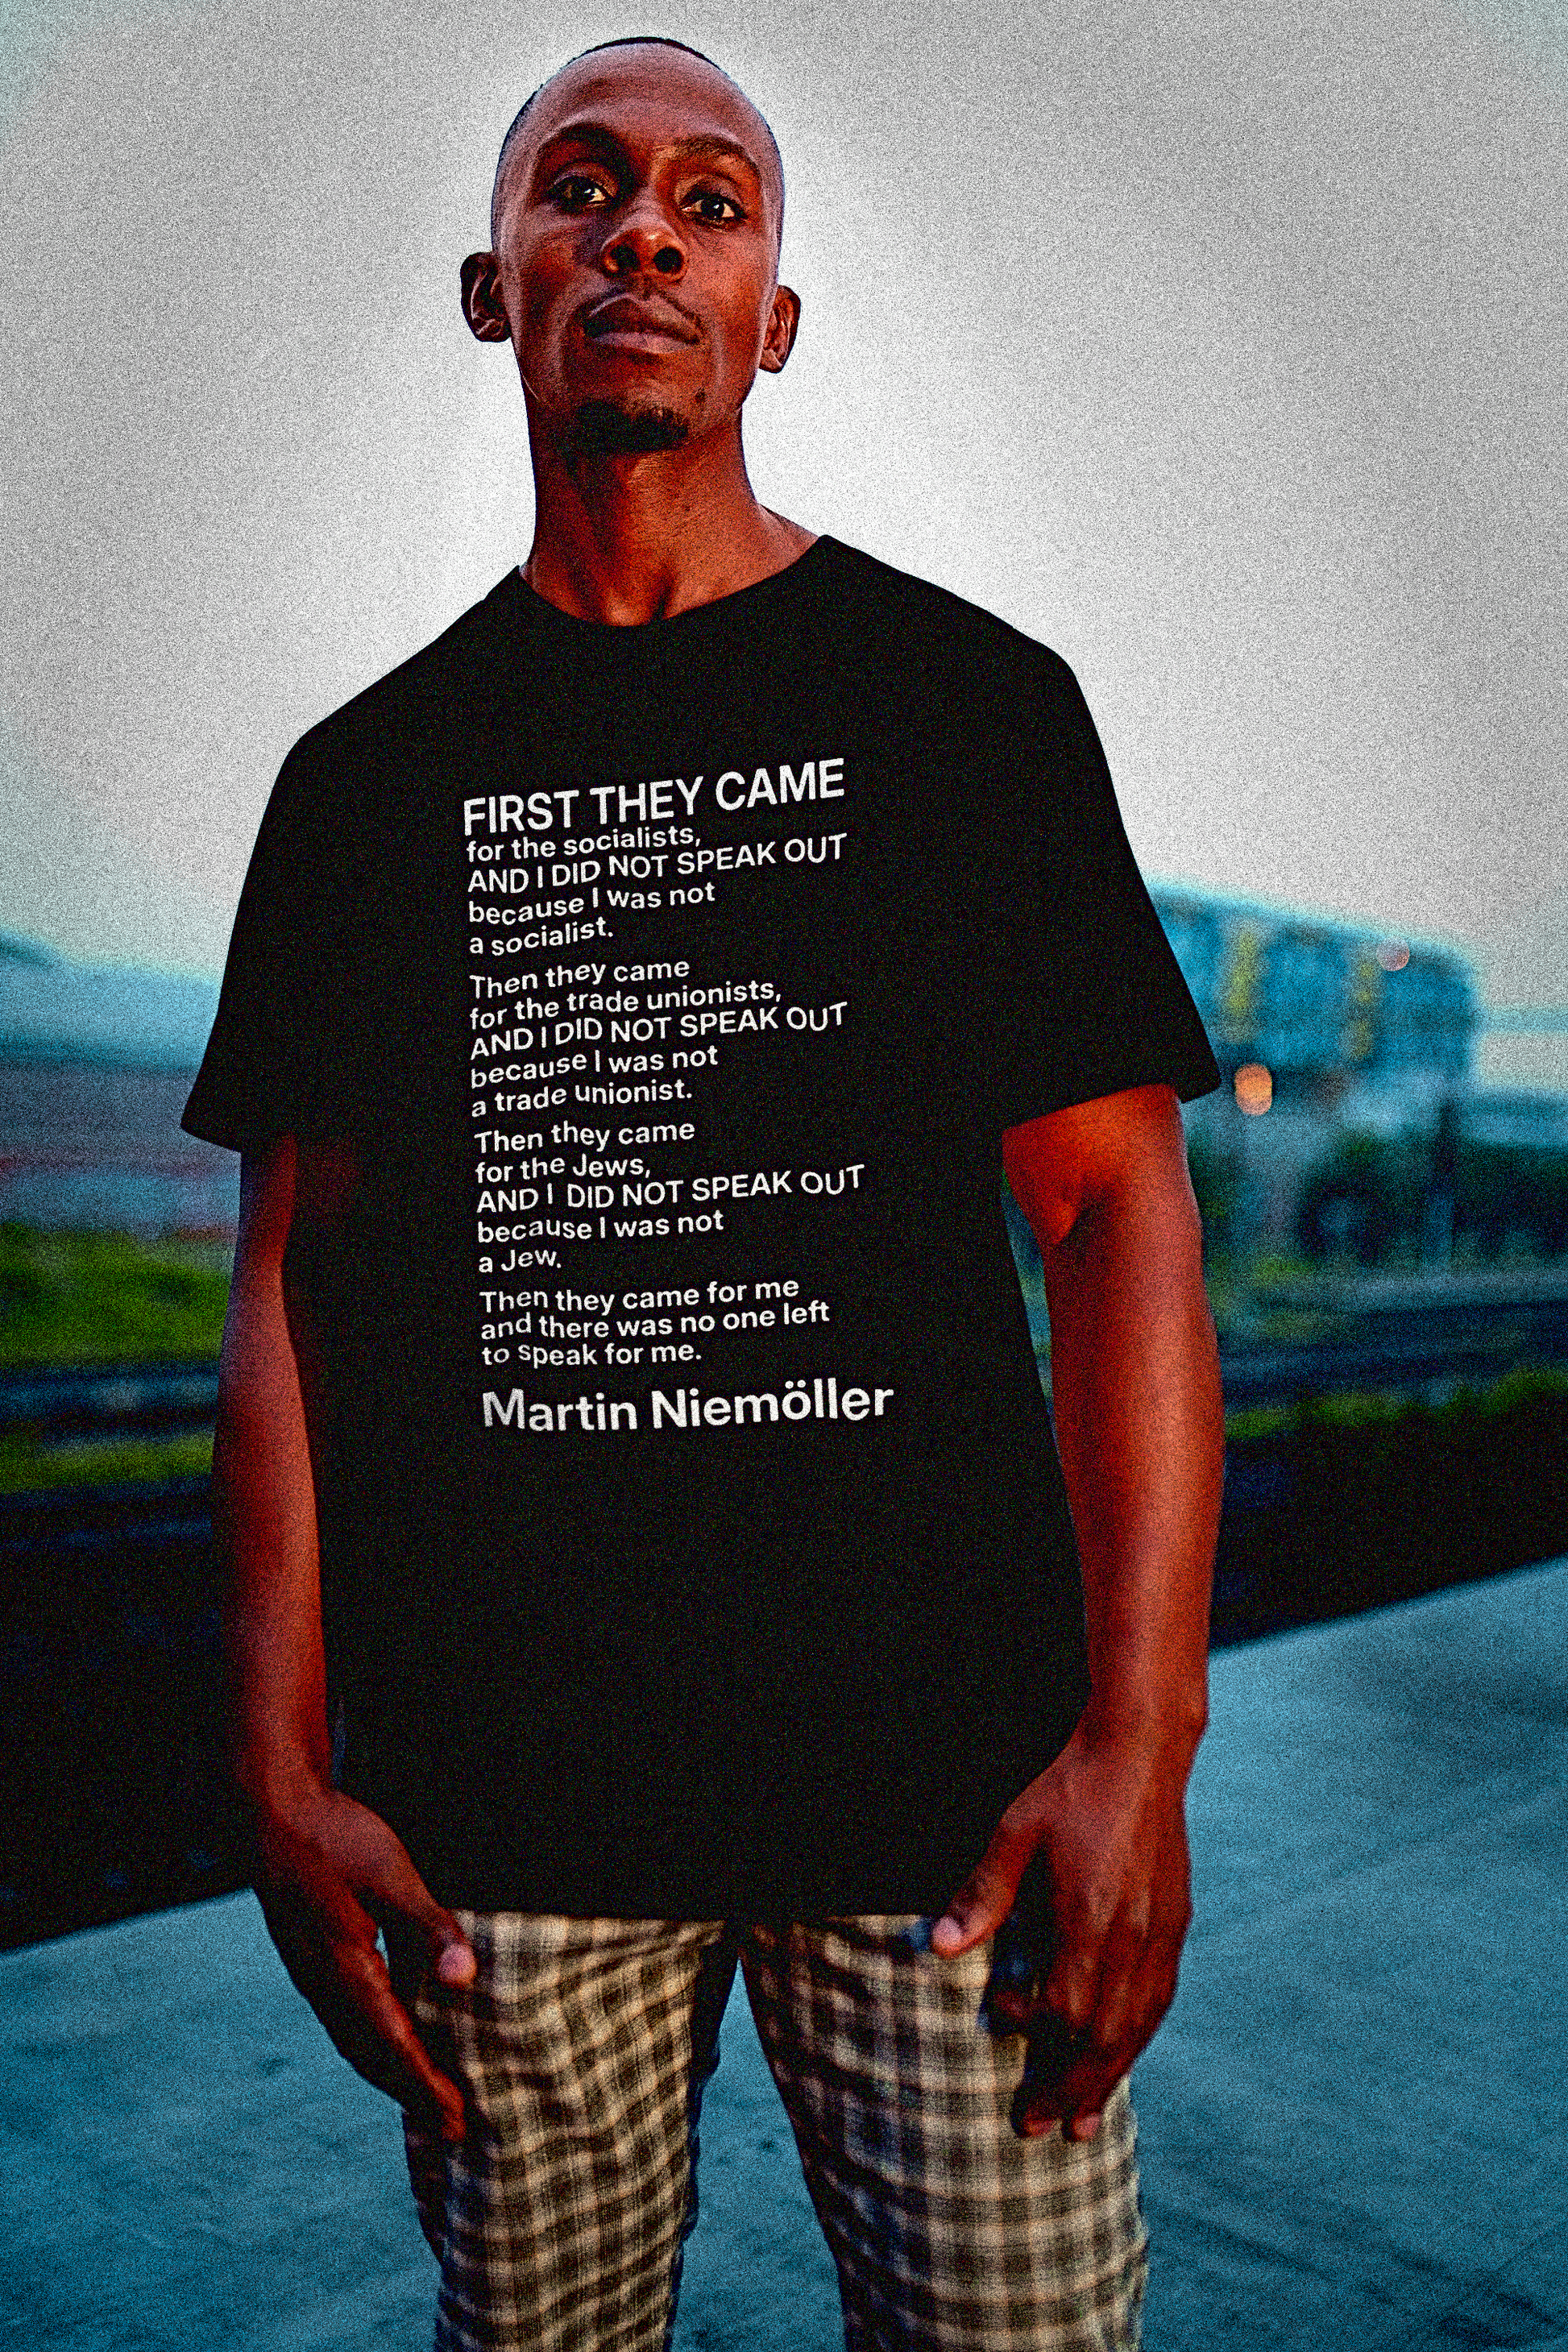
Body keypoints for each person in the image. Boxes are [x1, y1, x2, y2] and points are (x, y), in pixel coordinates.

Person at [184, 33, 1225, 2352]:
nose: (641, 229)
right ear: (497, 284)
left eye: (709, 200)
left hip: (941, 1809)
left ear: (774, 314)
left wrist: (1136, 1749)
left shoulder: (967, 710)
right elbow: (285, 1304)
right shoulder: (365, 788)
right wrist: (278, 1775)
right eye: (581, 189)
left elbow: (1121, 1230)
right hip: (506, 1834)